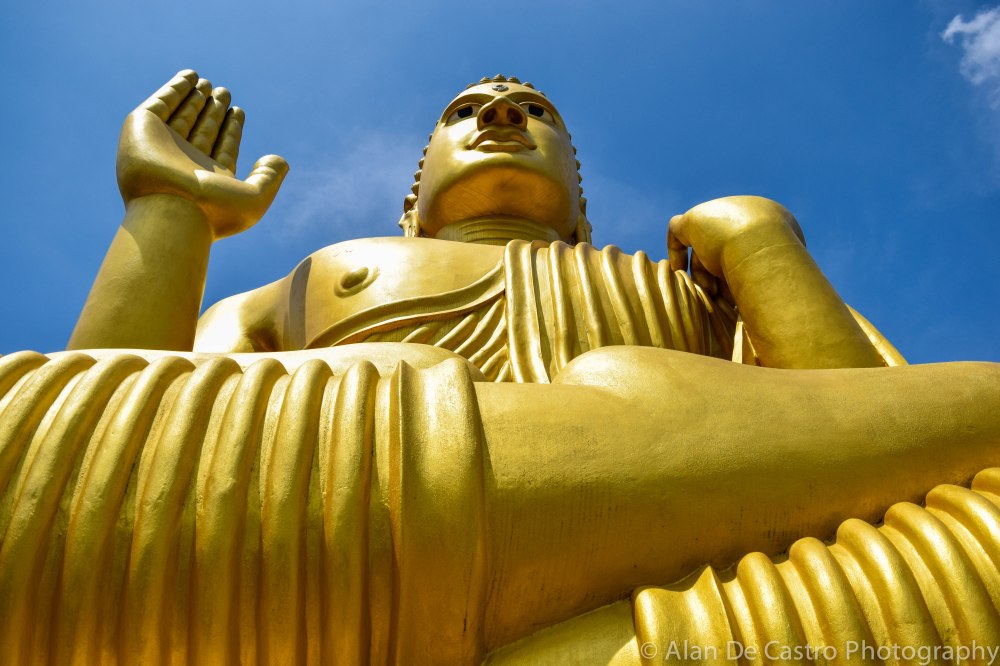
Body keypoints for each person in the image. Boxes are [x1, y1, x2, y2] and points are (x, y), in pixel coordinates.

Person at [0, 70, 997, 664]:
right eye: (468, 110)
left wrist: (764, 250)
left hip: (700, 580)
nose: (502, 115)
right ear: (408, 203)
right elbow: (92, 449)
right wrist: (168, 219)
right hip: (318, 514)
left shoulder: (694, 286)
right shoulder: (300, 285)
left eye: (534, 111)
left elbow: (872, 436)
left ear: (582, 201)